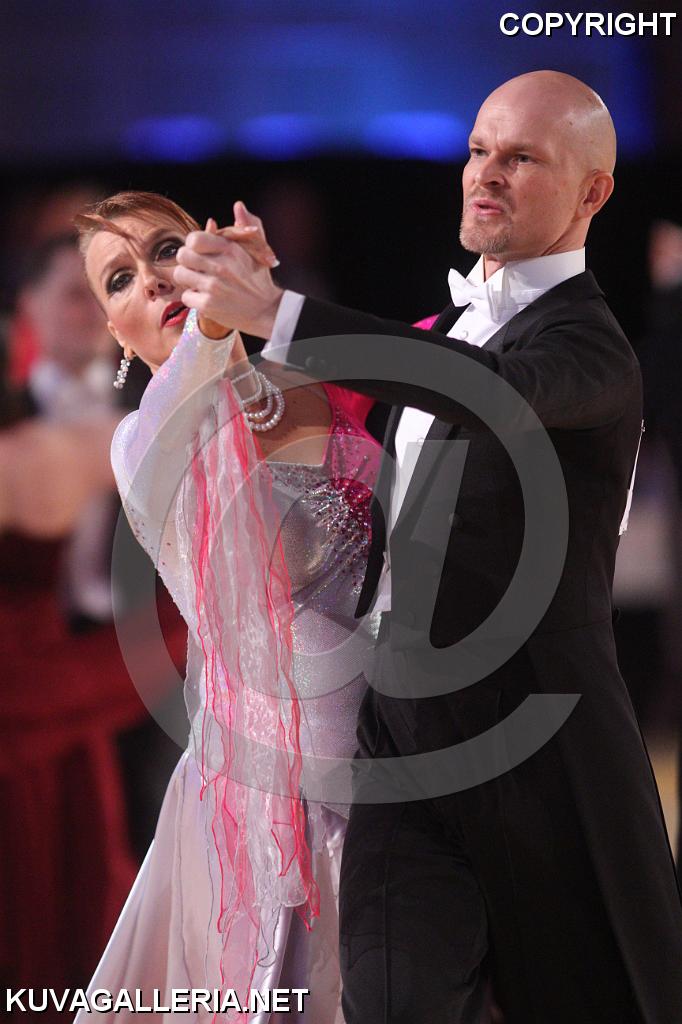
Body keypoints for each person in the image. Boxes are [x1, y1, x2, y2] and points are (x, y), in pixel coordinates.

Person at [172, 71, 682, 1023]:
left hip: (539, 750)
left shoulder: (592, 350)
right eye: (479, 150)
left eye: (522, 158)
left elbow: (482, 388)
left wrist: (281, 312)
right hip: (400, 742)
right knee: (390, 1002)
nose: (486, 174)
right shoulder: (442, 332)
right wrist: (245, 327)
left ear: (593, 192)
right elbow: (337, 429)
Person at [73, 191, 382, 1022]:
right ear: (116, 333)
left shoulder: (313, 382)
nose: (151, 280)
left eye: (165, 249)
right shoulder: (143, 441)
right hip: (275, 793)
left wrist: (267, 308)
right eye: (120, 280)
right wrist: (218, 320)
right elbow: (181, 397)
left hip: (398, 743)